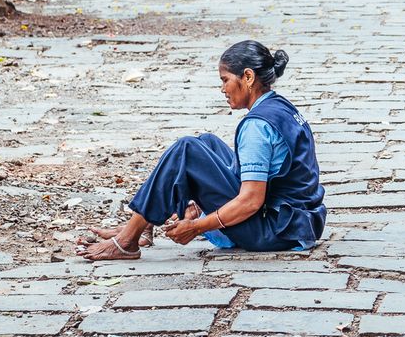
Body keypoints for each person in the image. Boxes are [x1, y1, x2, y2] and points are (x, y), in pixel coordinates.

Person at [79, 41, 325, 259]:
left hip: (274, 230)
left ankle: (127, 241)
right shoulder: (280, 105)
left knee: (186, 149)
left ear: (248, 77)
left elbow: (251, 201)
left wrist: (198, 226)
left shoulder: (257, 126)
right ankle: (142, 224)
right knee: (207, 142)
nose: (223, 89)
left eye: (225, 80)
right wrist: (199, 203)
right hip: (298, 221)